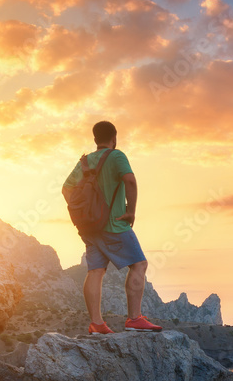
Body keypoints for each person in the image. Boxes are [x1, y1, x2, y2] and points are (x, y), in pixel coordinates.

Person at [62, 121, 162, 334]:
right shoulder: (117, 156)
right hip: (113, 224)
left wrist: (84, 214)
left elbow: (66, 189)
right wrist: (131, 211)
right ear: (114, 138)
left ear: (95, 138)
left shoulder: (85, 161)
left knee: (95, 271)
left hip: (89, 227)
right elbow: (130, 182)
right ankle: (134, 318)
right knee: (139, 264)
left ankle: (96, 324)